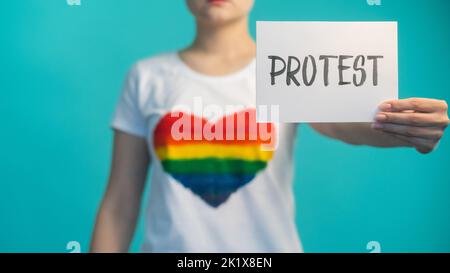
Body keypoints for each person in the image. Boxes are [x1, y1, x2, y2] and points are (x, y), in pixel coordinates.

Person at [90, 0, 449, 252]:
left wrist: (404, 127)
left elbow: (340, 123)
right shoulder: (146, 76)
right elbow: (120, 201)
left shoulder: (285, 66)